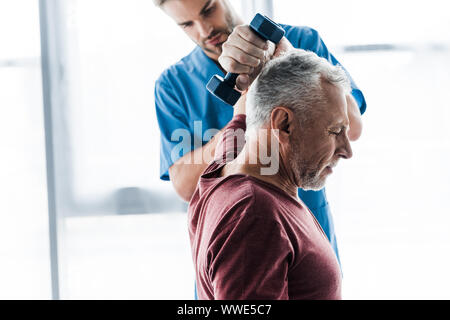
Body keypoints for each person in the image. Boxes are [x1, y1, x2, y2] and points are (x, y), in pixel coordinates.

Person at [154, 0, 366, 271]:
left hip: (308, 252)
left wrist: (289, 61)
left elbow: (353, 127)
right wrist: (245, 116)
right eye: (187, 24)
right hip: (230, 257)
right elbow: (184, 185)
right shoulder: (174, 85)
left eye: (209, 10)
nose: (204, 29)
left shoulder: (301, 41)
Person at [189, 49, 353, 299]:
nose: (346, 150)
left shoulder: (225, 164)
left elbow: (244, 116)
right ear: (284, 124)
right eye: (334, 131)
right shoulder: (254, 216)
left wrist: (267, 61)